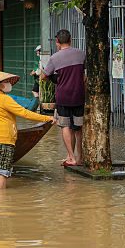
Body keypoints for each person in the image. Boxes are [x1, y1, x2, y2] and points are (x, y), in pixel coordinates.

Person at [0, 70, 53, 190]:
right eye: (5, 81)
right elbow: (24, 113)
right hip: (4, 140)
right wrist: (47, 118)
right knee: (3, 172)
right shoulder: (3, 99)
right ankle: (0, 200)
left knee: (1, 170)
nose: (8, 84)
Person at [42, 29, 86, 167]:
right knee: (78, 128)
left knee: (65, 126)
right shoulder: (81, 53)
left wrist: (54, 78)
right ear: (70, 39)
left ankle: (71, 158)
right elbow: (84, 76)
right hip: (79, 96)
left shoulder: (55, 58)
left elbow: (44, 76)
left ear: (57, 42)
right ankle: (79, 158)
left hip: (63, 97)